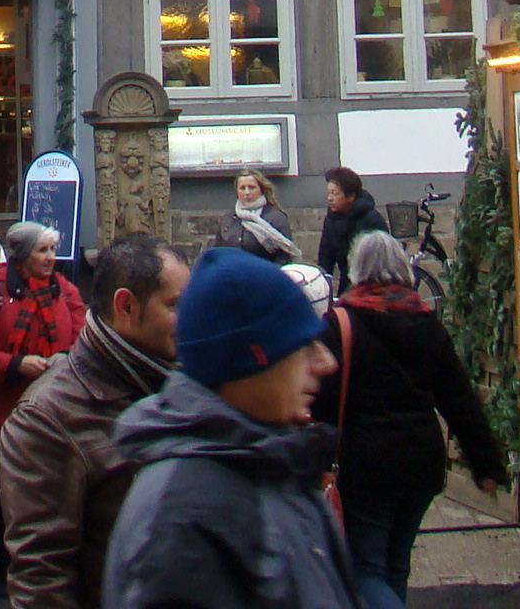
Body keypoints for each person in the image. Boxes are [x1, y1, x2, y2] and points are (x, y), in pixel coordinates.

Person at [101, 247, 352, 609]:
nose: (326, 363)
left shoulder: (274, 462)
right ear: (250, 359)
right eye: (302, 345)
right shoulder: (184, 521)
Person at [0, 233, 189, 609]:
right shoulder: (46, 419)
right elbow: (41, 582)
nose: (190, 319)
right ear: (126, 306)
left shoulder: (180, 382)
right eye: (176, 305)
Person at [328, 232, 508, 609]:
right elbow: (459, 400)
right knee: (396, 564)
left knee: (365, 570)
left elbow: (323, 399)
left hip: (366, 465)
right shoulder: (427, 323)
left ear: (357, 269)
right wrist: (486, 463)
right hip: (421, 463)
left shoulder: (341, 323)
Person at [0, 221, 86, 597]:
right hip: (3, 414)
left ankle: (40, 562)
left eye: (52, 250)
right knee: (12, 492)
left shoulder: (63, 289)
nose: (50, 258)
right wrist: (16, 365)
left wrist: (64, 360)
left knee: (47, 491)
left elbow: (82, 335)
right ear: (22, 255)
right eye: (42, 251)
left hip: (53, 411)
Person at [315, 166, 386, 288]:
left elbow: (381, 261)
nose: (330, 198)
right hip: (346, 285)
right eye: (329, 193)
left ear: (351, 196)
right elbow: (325, 257)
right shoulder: (331, 219)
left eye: (335, 194)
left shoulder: (372, 220)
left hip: (372, 286)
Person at [212, 167, 299, 260]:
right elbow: (217, 252)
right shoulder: (228, 218)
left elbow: (283, 257)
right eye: (242, 188)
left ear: (261, 189)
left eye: (251, 187)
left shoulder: (276, 218)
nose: (247, 192)